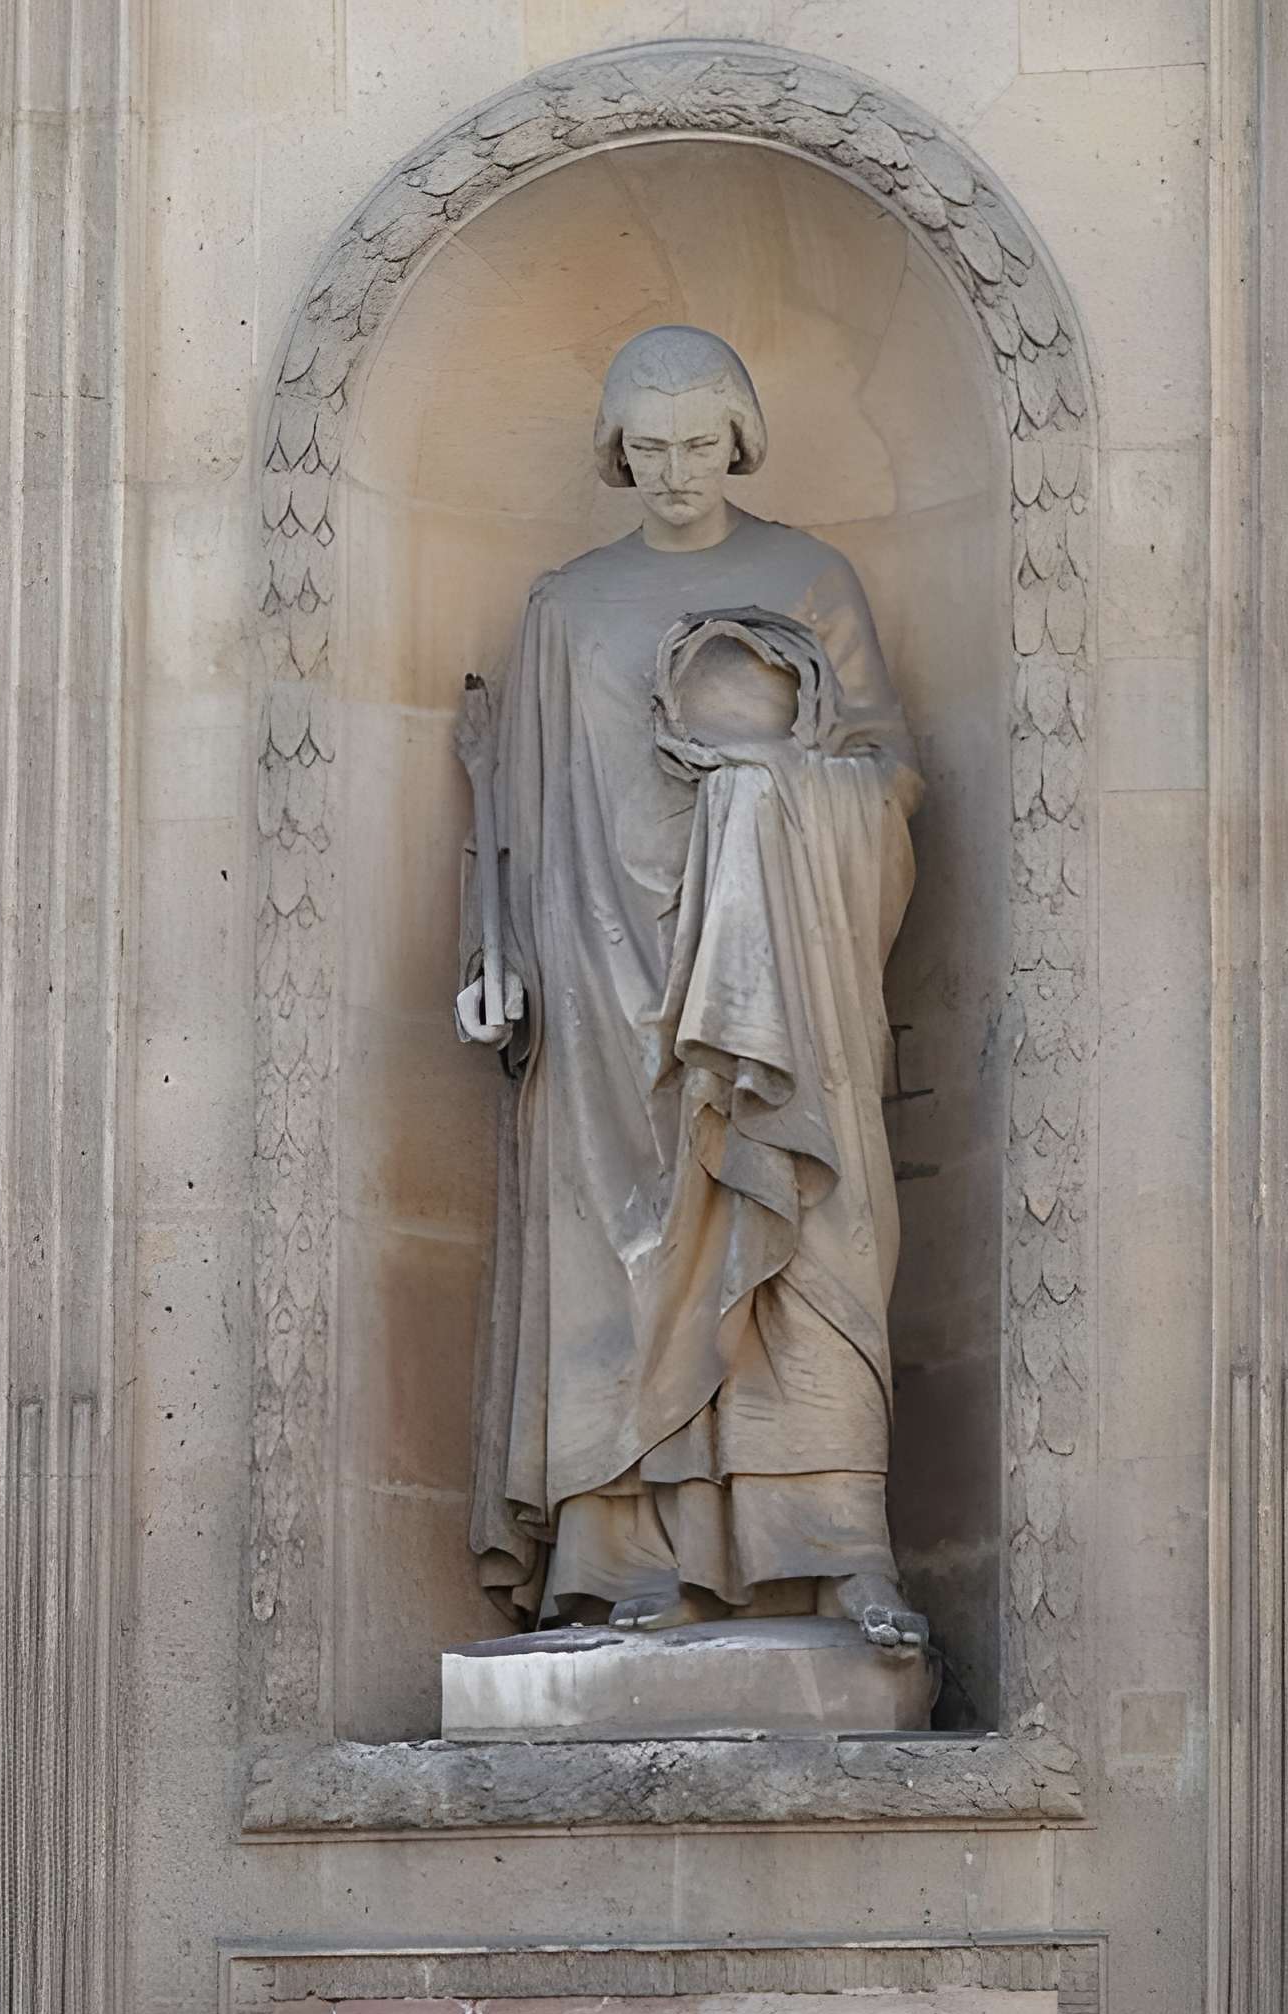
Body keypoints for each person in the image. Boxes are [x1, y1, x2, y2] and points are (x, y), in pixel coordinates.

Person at [454, 325, 927, 1658]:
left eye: (699, 444)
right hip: (605, 980)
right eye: (650, 448)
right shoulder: (567, 608)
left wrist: (769, 793)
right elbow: (522, 813)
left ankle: (832, 1542)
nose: (675, 471)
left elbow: (889, 781)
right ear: (618, 450)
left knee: (806, 1236)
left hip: (782, 968)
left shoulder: (808, 579)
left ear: (740, 440)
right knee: (626, 1253)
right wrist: (495, 955)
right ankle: (626, 1560)